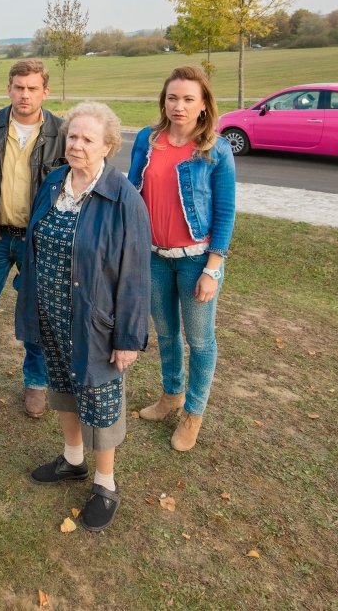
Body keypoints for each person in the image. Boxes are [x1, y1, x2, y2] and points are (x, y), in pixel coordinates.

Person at [15, 102, 150, 531]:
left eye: (88, 139)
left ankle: (106, 483)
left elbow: (135, 274)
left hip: (96, 322)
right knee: (63, 387)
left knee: (100, 401)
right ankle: (73, 461)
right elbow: (34, 238)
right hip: (52, 313)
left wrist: (128, 337)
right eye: (72, 136)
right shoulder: (54, 182)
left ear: (107, 146)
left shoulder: (124, 198)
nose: (76, 145)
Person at [127, 65, 237, 452]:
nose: (179, 106)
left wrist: (212, 269)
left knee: (200, 340)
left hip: (196, 260)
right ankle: (171, 395)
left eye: (189, 99)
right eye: (173, 97)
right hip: (154, 257)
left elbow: (225, 212)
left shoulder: (216, 150)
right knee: (166, 332)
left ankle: (193, 413)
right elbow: (131, 193)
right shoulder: (147, 140)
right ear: (164, 101)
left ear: (204, 104)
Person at [0, 58, 67, 418]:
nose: (25, 94)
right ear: (9, 89)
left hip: (37, 243)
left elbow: (72, 187)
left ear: (45, 91)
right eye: (18, 87)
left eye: (32, 88)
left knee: (37, 315)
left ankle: (36, 383)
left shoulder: (61, 132)